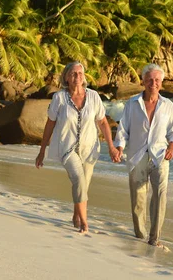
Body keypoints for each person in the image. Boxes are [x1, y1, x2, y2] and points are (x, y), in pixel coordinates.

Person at [35, 62, 120, 233]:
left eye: (80, 73)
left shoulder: (94, 96)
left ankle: (75, 214)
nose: (78, 76)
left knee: (83, 184)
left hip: (90, 149)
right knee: (79, 180)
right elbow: (50, 124)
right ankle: (84, 220)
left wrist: (112, 146)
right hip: (67, 148)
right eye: (73, 73)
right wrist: (42, 150)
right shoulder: (59, 98)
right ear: (66, 77)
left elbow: (102, 122)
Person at [112, 63, 173, 247]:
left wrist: (172, 148)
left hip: (160, 156)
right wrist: (119, 147)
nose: (153, 83)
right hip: (137, 155)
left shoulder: (168, 106)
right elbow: (123, 130)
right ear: (143, 81)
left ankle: (154, 237)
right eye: (150, 79)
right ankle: (140, 234)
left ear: (162, 82)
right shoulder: (133, 104)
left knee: (160, 195)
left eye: (157, 80)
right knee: (138, 198)